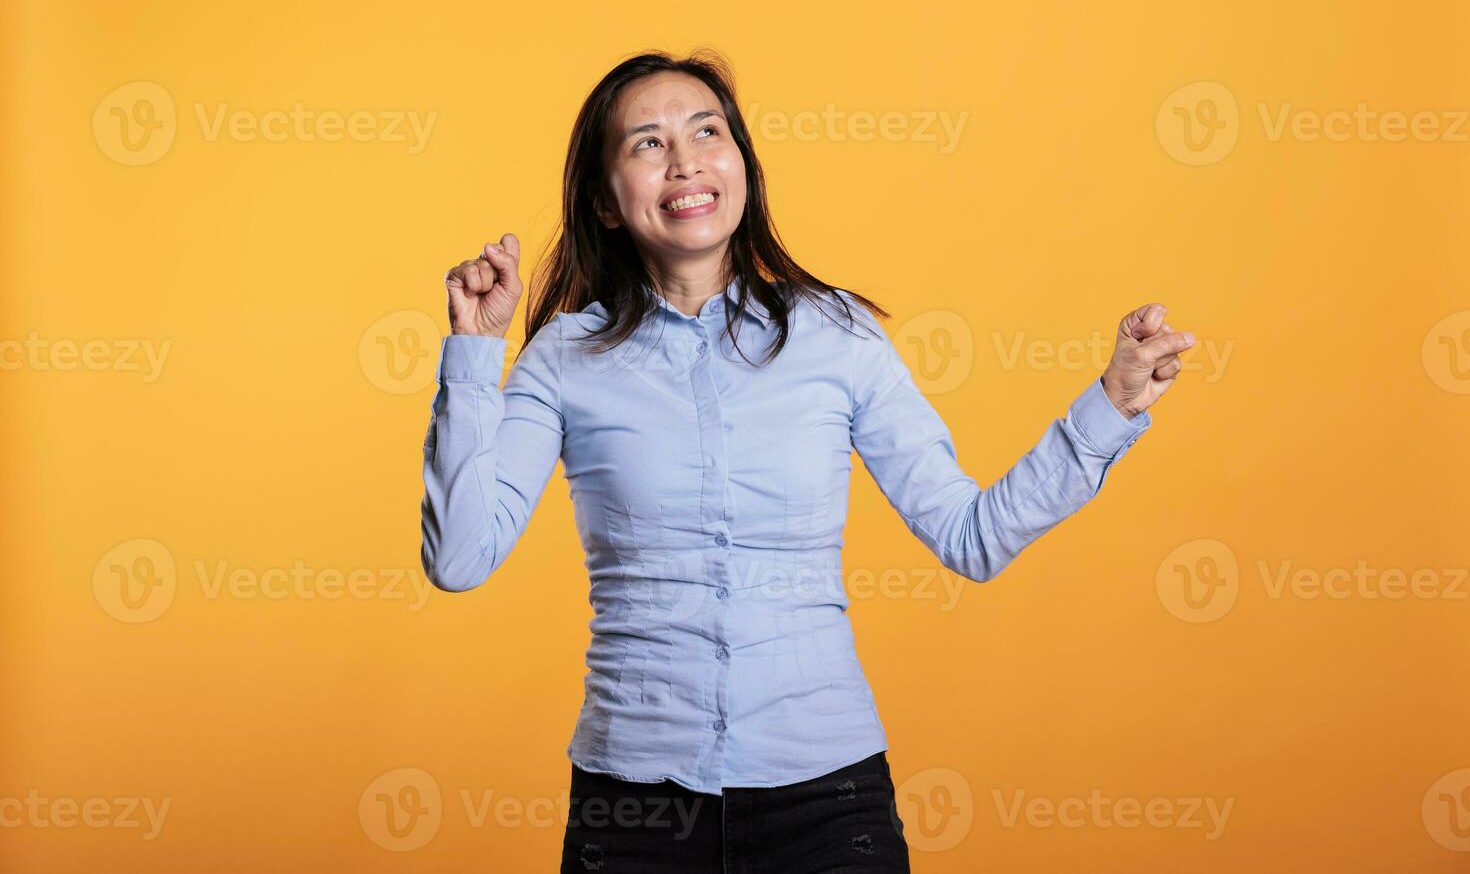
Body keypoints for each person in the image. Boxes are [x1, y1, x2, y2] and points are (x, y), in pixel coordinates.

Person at [420, 50, 1195, 873]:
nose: (684, 161)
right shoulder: (562, 357)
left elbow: (972, 536)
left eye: (706, 132)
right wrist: (474, 352)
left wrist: (1109, 406)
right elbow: (461, 559)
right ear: (606, 202)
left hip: (827, 806)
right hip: (632, 809)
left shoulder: (837, 334)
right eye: (647, 144)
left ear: (741, 166)